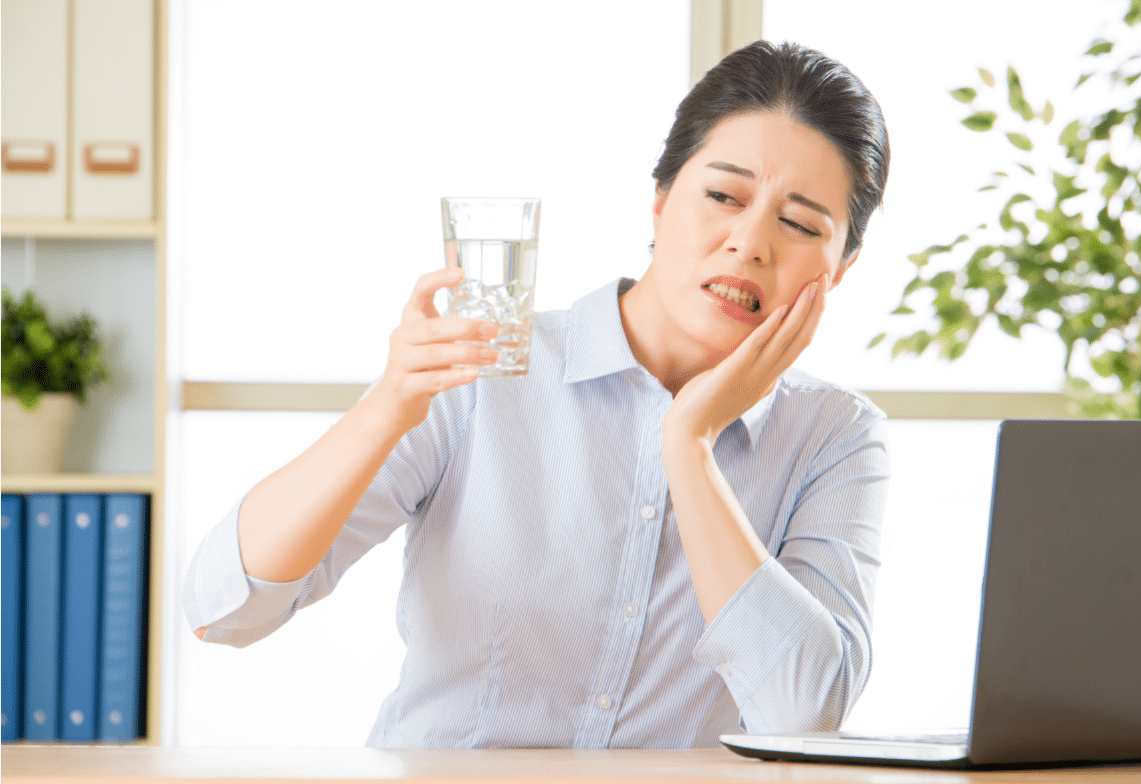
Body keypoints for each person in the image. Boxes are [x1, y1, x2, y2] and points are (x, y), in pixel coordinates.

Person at [184, 40, 892, 749]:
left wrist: (690, 444)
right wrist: (386, 408)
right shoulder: (487, 367)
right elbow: (224, 608)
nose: (750, 242)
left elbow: (805, 717)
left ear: (843, 266)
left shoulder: (835, 435)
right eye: (722, 196)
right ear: (659, 199)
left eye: (800, 224)